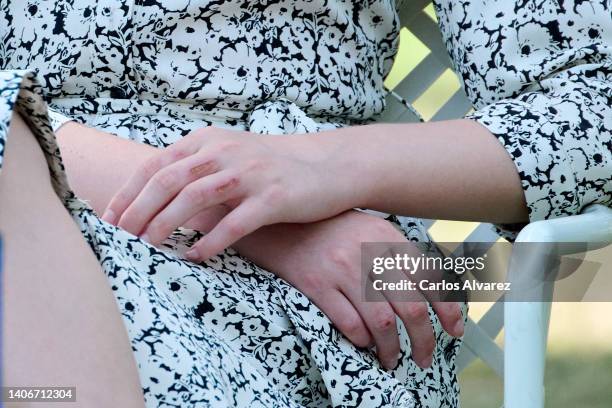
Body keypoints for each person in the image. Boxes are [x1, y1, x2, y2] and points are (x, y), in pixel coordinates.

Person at [1, 1, 609, 407]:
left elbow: (591, 112)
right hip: (43, 198)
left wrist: (323, 167)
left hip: (322, 246)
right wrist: (224, 210)